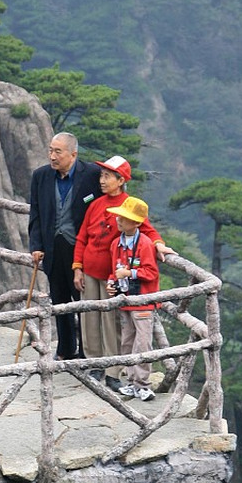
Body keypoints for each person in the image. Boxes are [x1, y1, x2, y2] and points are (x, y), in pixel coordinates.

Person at [71, 155, 167, 389]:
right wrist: (77, 267)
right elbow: (82, 237)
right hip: (90, 269)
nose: (101, 180)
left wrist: (158, 244)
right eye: (102, 176)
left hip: (112, 275)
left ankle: (113, 369)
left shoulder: (128, 206)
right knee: (89, 318)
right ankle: (95, 363)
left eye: (107, 176)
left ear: (121, 180)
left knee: (111, 322)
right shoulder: (95, 204)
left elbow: (148, 230)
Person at [28, 132, 103, 359]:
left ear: (73, 154)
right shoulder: (41, 176)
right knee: (59, 299)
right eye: (51, 150)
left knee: (82, 299)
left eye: (58, 152)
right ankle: (65, 349)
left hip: (81, 248)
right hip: (52, 247)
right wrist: (36, 245)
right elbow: (36, 213)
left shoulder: (91, 174)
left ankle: (87, 351)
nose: (52, 156)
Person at [108, 199, 161, 401]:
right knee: (127, 341)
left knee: (143, 343)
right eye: (119, 216)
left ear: (137, 223)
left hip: (143, 302)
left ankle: (143, 384)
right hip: (126, 300)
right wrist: (112, 282)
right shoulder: (116, 244)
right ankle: (131, 381)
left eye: (124, 218)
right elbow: (114, 270)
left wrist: (130, 273)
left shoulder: (145, 244)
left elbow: (151, 272)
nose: (119, 220)